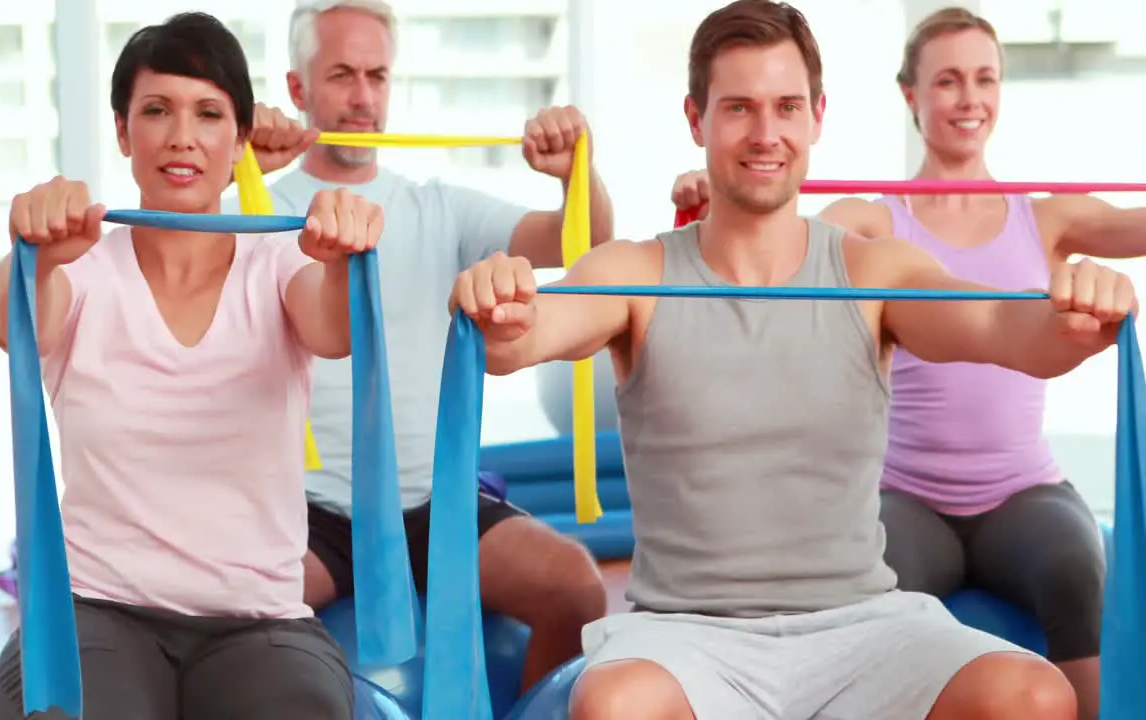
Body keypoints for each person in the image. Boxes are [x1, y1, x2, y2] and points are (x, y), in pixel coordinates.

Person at [452, 1, 1140, 717]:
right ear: (697, 120)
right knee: (615, 702)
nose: (766, 133)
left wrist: (1074, 315)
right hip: (686, 636)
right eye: (739, 108)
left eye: (786, 106)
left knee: (1034, 696)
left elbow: (1002, 326)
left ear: (817, 116)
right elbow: (522, 337)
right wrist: (499, 305)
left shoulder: (874, 271)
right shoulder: (636, 273)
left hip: (860, 624)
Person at [670, 8, 1138, 718]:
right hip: (909, 495)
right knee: (862, 604)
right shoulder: (879, 222)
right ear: (909, 96)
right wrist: (713, 193)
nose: (968, 98)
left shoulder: (1046, 218)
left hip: (1023, 492)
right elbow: (775, 225)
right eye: (947, 81)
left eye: (985, 79)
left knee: (1080, 572)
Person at [0, 13, 382, 719]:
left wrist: (348, 261)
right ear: (122, 131)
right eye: (156, 111)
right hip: (95, 612)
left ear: (241, 140)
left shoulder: (281, 263)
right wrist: (32, 253)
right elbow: (12, 320)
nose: (182, 137)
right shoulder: (84, 269)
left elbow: (334, 327)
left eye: (208, 113)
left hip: (258, 621)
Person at [229, 0, 617, 690]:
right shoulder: (251, 211)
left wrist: (574, 173)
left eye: (377, 76)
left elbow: (578, 238)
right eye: (342, 74)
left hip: (435, 507)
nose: (362, 97)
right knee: (226, 615)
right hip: (308, 513)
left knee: (576, 589)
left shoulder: (438, 205)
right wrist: (232, 164)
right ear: (298, 90)